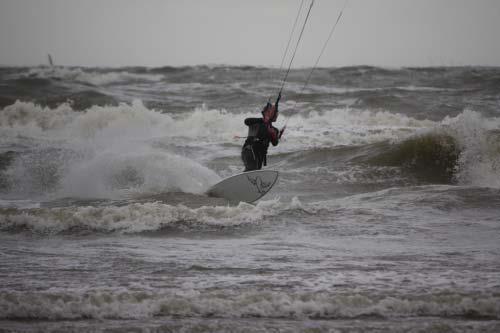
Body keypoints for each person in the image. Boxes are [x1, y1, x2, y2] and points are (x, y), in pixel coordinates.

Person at [241, 94, 285, 172]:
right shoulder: (257, 122)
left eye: (276, 112)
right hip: (249, 151)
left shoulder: (274, 130)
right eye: (272, 111)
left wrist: (274, 135)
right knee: (251, 170)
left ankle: (243, 183)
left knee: (254, 172)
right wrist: (262, 120)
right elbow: (246, 121)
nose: (276, 114)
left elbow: (275, 143)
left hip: (260, 155)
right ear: (265, 113)